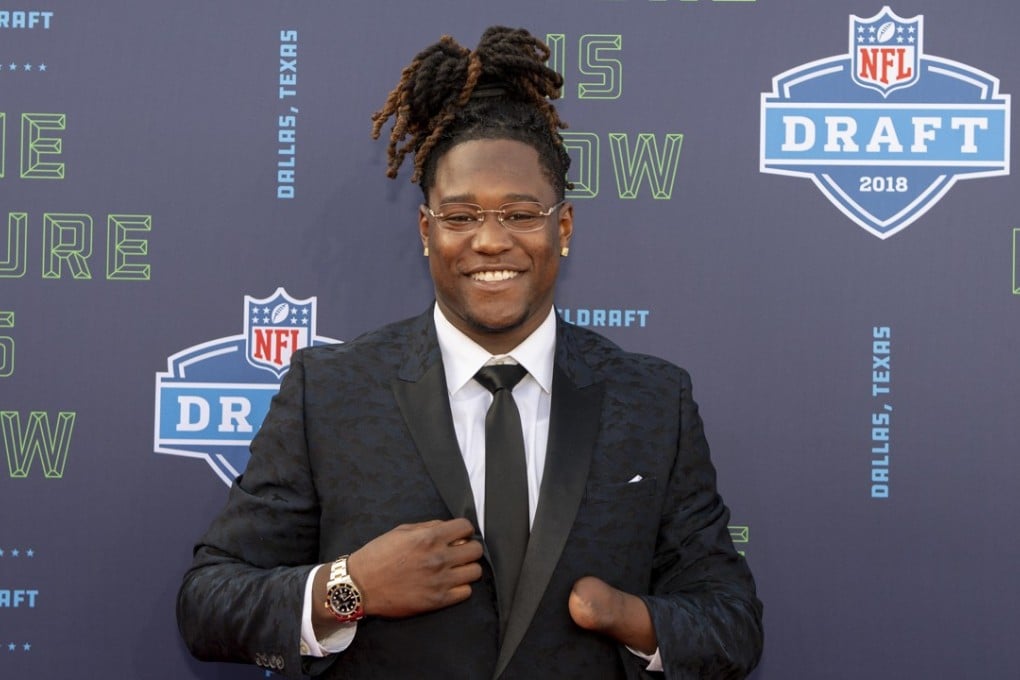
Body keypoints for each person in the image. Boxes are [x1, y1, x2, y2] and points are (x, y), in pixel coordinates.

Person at [177, 26, 763, 679]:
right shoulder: (331, 391)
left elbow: (731, 624)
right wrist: (349, 588)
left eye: (519, 214)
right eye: (461, 217)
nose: (489, 241)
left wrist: (632, 617)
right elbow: (207, 606)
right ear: (428, 232)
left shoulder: (654, 402)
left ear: (561, 228)